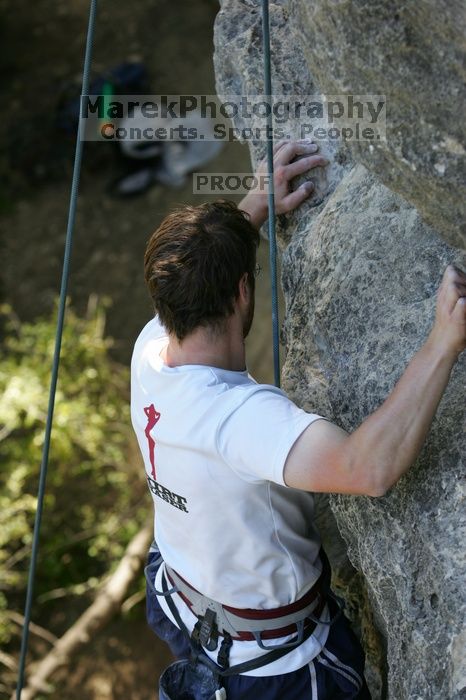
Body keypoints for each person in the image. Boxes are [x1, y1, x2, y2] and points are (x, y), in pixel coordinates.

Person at [130, 140, 466, 699]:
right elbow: (368, 469)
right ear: (243, 292)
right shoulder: (241, 421)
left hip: (178, 598)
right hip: (270, 668)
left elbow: (192, 276)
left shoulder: (150, 348)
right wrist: (443, 340)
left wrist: (253, 207)